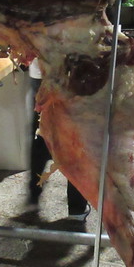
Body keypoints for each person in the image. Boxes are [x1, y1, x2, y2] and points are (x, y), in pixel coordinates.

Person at [27, 58, 90, 221]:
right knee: (74, 140)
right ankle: (76, 209)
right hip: (74, 74)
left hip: (44, 73)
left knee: (44, 135)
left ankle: (33, 197)